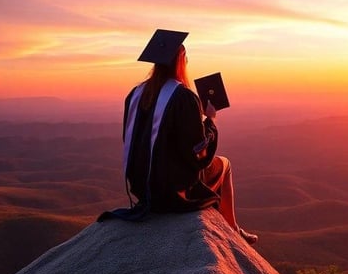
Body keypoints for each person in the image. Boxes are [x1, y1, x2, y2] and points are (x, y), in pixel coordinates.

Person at [98, 29, 257, 245]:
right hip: (173, 191)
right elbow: (198, 154)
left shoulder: (135, 94)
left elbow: (134, 139)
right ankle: (233, 230)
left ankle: (230, 228)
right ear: (181, 61)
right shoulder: (183, 97)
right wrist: (210, 121)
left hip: (143, 187)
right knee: (225, 164)